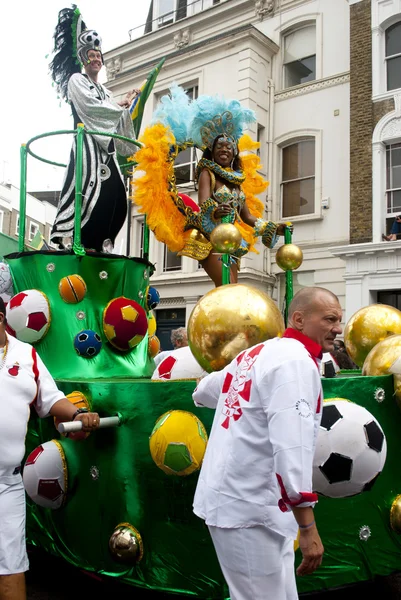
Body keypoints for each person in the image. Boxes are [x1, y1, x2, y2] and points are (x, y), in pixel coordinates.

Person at [192, 287, 343, 600]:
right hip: (249, 509)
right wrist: (308, 526)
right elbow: (292, 447)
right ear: (299, 319)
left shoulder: (259, 353)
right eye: (329, 319)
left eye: (339, 320)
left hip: (245, 504)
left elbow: (204, 391)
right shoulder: (294, 362)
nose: (338, 328)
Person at [133, 85, 292, 287]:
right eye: (219, 147)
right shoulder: (207, 173)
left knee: (231, 290)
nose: (224, 150)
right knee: (228, 288)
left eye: (229, 147)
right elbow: (205, 202)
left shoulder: (236, 182)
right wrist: (216, 211)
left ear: (234, 152)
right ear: (212, 151)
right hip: (211, 239)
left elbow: (247, 217)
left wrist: (273, 227)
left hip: (232, 242)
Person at [0, 297, 100, 600]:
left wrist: (77, 415)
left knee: (11, 564)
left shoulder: (26, 354)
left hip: (6, 484)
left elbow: (49, 398)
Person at [49, 5, 139, 253]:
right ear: (83, 58)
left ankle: (102, 244)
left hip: (105, 151)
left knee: (117, 196)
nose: (96, 60)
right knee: (89, 193)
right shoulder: (77, 81)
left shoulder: (105, 91)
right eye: (92, 56)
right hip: (88, 146)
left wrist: (125, 103)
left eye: (99, 56)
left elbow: (110, 108)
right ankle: (85, 242)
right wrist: (118, 107)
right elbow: (93, 108)